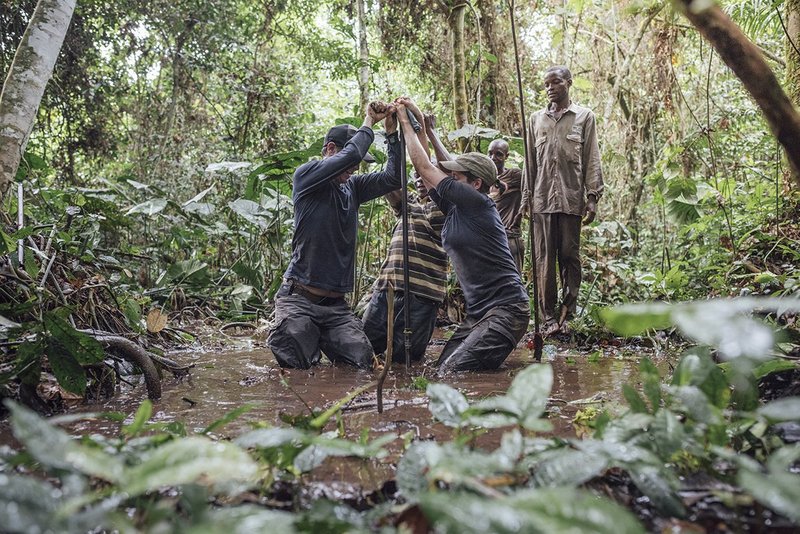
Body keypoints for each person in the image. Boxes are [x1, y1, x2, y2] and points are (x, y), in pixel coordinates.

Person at [395, 97, 530, 374]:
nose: (450, 179)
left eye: (457, 177)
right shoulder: (456, 207)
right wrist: (417, 119)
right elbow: (432, 166)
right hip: (478, 315)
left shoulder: (478, 203)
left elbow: (425, 168)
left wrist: (405, 122)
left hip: (506, 312)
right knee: (439, 370)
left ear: (475, 184)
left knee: (452, 375)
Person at [268, 101, 402, 369]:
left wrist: (391, 134)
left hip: (335, 308)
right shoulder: (307, 175)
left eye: (359, 164)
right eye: (351, 162)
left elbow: (393, 178)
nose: (355, 168)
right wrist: (368, 121)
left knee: (361, 363)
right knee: (297, 365)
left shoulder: (352, 187)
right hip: (298, 300)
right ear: (330, 150)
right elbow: (351, 156)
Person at [521, 65, 604, 336]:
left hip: (570, 199)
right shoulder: (536, 120)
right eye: (546, 84)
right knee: (544, 259)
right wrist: (526, 197)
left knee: (569, 255)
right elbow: (529, 163)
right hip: (542, 200)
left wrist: (592, 196)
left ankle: (567, 314)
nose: (549, 88)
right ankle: (547, 318)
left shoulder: (584, 117)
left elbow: (591, 157)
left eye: (555, 82)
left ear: (568, 83)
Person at [361, 174, 447, 363]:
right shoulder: (410, 206)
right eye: (416, 176)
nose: (418, 179)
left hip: (422, 295)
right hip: (387, 289)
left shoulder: (447, 207)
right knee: (364, 350)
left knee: (406, 360)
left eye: (424, 175)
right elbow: (389, 185)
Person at [487, 138, 525, 273]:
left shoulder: (514, 175)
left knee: (513, 285)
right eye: (490, 153)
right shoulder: (483, 180)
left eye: (499, 154)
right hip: (489, 239)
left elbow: (533, 183)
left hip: (509, 238)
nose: (493, 157)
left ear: (506, 156)